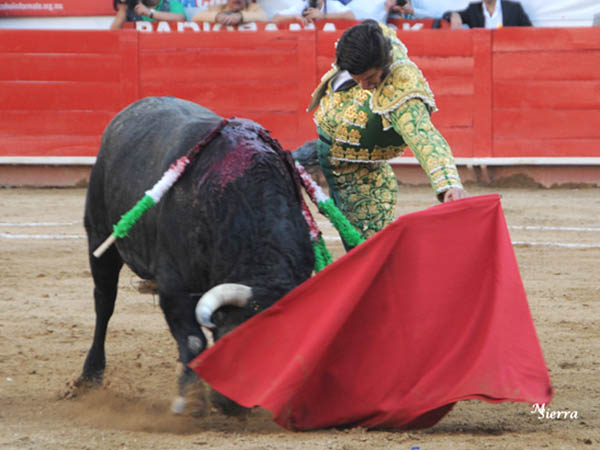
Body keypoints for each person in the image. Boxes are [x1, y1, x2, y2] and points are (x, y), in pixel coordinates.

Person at [307, 20, 467, 246]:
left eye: (370, 78)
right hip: (337, 155)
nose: (363, 85)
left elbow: (423, 136)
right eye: (356, 78)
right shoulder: (369, 40)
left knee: (368, 247)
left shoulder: (401, 88)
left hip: (359, 168)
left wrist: (448, 183)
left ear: (384, 63)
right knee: (365, 246)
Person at [443, 0, 532, 29]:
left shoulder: (514, 9)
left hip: (508, 58)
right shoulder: (473, 10)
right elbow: (446, 15)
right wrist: (454, 15)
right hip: (483, 59)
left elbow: (531, 32)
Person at [110, 0, 186, 30]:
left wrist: (149, 13)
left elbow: (181, 18)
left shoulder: (171, 4)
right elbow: (113, 32)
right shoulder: (131, 8)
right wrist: (123, 5)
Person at [271, 0, 355, 25]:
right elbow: (275, 18)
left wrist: (323, 16)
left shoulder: (330, 4)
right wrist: (294, 17)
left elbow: (351, 16)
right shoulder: (303, 5)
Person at [192, 0, 267, 25]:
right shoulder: (217, 8)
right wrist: (216, 16)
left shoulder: (253, 7)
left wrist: (241, 16)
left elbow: (264, 16)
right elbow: (196, 16)